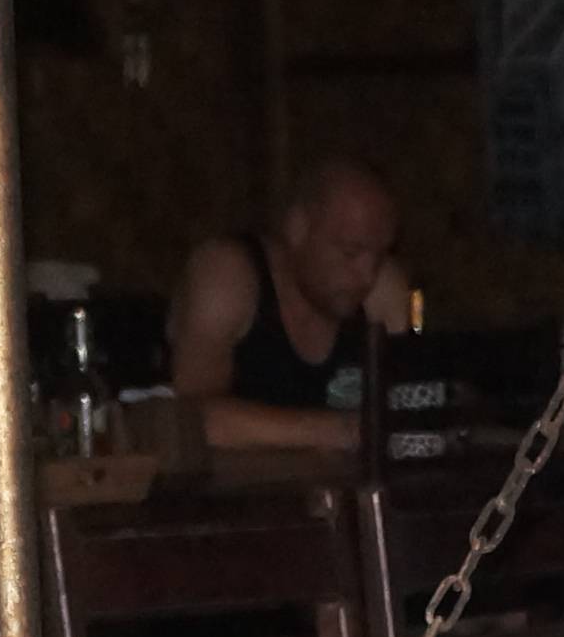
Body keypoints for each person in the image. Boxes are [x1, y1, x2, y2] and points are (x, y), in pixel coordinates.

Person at [169, 160, 414, 456]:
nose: (367, 275)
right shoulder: (229, 276)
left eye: (380, 256)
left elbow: (408, 410)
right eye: (350, 253)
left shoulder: (383, 290)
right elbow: (191, 416)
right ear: (298, 229)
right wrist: (337, 431)